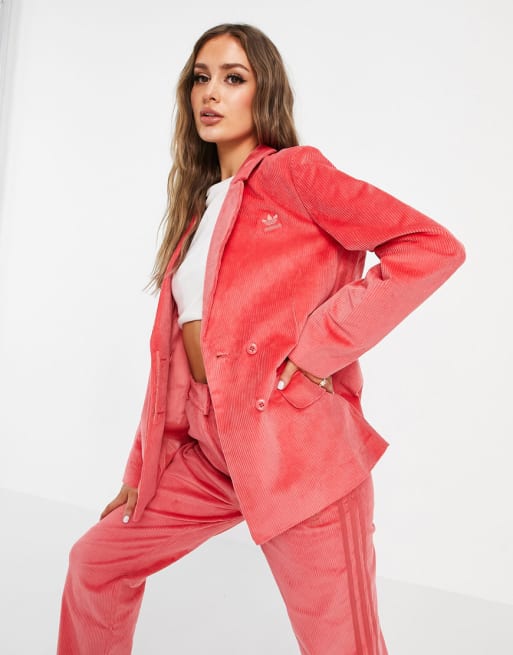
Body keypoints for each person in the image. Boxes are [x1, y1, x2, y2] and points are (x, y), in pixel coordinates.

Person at [57, 23, 465, 655]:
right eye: (201, 77)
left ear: (263, 91)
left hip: (296, 451)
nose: (211, 93)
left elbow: (430, 248)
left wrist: (318, 349)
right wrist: (142, 467)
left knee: (342, 646)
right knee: (96, 563)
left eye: (233, 78)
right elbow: (170, 362)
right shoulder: (199, 212)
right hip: (208, 451)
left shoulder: (294, 174)